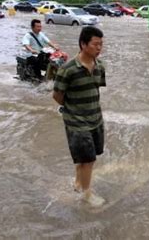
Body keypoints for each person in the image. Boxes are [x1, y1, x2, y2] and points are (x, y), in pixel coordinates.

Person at [53, 26, 106, 207]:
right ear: (83, 44)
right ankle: (87, 194)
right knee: (88, 159)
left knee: (86, 157)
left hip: (96, 119)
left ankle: (78, 182)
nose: (99, 48)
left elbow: (95, 89)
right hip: (76, 122)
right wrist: (73, 111)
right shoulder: (68, 70)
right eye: (95, 44)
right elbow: (57, 97)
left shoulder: (100, 66)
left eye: (101, 45)